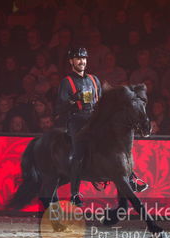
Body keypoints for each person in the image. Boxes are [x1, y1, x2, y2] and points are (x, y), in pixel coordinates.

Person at [56, 47, 146, 206]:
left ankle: (132, 177)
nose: (81, 61)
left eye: (83, 58)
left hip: (94, 118)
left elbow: (106, 96)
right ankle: (75, 193)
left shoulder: (94, 79)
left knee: (116, 144)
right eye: (78, 59)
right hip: (77, 119)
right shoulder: (67, 82)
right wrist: (74, 98)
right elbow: (60, 107)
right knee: (79, 151)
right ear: (71, 62)